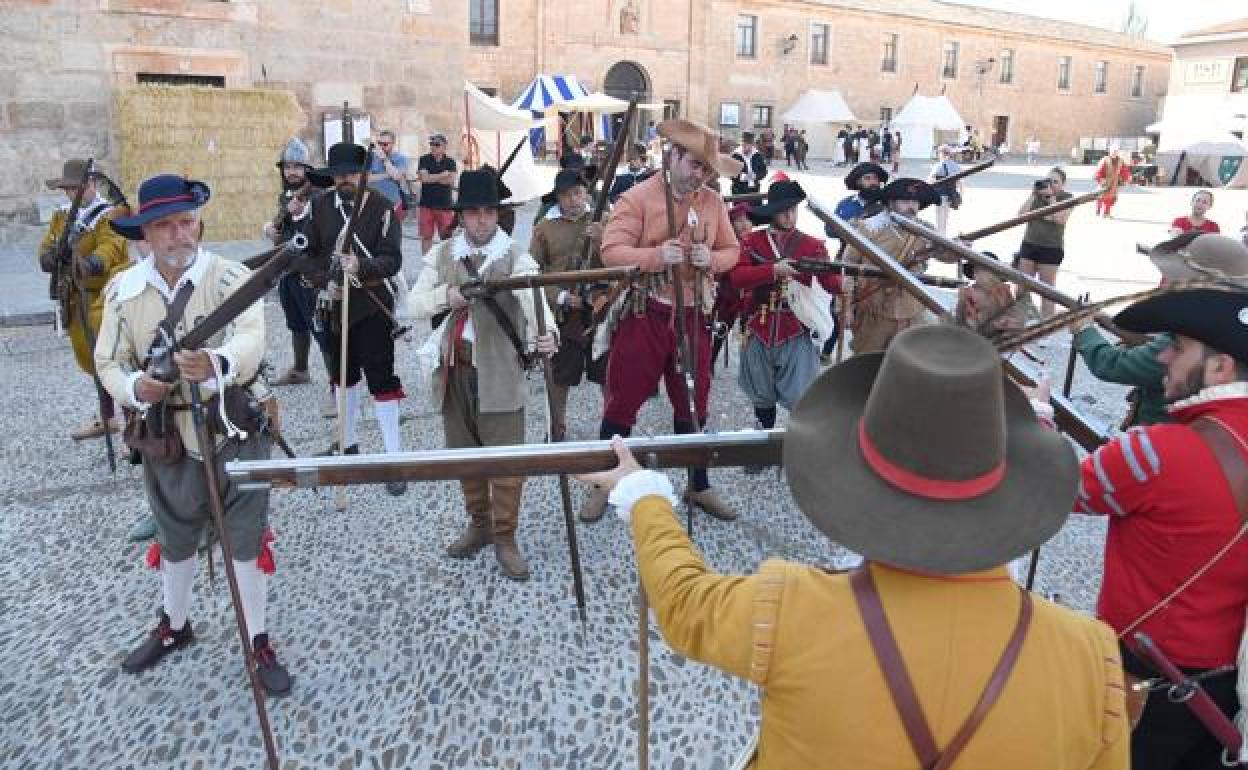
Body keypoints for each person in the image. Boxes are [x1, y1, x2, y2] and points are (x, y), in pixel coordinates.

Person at [579, 324, 1129, 770]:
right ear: (1011, 494)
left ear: (856, 481)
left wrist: (642, 493)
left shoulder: (794, 607)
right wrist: (1029, 426)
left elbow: (684, 604)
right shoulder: (1090, 657)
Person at [96, 174, 291, 694]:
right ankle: (175, 626)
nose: (180, 234)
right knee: (176, 538)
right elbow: (107, 361)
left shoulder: (230, 279)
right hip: (167, 438)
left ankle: (257, 639)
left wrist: (216, 361)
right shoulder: (123, 292)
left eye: (186, 222)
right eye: (165, 225)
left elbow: (251, 339)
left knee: (245, 542)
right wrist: (137, 387)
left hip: (233, 429)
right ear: (145, 235)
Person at [1073, 287, 1248, 769]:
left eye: (1179, 346)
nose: (1164, 357)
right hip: (1231, 691)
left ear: (1221, 367)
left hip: (1150, 683)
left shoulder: (1157, 452)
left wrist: (1040, 421)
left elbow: (1057, 490)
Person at [582, 118, 742, 523]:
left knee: (695, 401)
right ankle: (608, 482)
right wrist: (655, 257)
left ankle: (698, 484)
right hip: (645, 313)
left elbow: (731, 250)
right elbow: (611, 251)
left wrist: (714, 260)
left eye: (707, 168)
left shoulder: (712, 202)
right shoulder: (637, 197)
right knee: (622, 400)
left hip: (693, 317)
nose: (701, 175)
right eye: (694, 164)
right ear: (671, 155)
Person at [409, 169, 558, 581]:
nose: (480, 220)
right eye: (472, 212)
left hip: (499, 374)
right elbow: (414, 304)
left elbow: (537, 308)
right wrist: (447, 296)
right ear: (461, 215)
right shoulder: (442, 255)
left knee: (507, 462)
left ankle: (506, 537)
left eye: (488, 211)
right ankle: (479, 525)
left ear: (497, 214)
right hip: (453, 369)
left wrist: (549, 337)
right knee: (465, 456)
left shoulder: (515, 257)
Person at [296, 142, 407, 495]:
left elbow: (392, 260)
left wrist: (362, 267)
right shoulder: (318, 207)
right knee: (341, 378)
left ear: (363, 174)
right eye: (338, 174)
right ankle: (347, 444)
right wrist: (325, 282)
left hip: (373, 306)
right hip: (333, 307)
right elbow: (305, 257)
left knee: (382, 380)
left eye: (350, 173)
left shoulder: (382, 207)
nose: (343, 179)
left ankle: (394, 458)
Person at [1073, 233, 1248, 429]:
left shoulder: (1189, 344)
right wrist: (1111, 323)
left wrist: (1084, 329)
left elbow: (1111, 365)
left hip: (1162, 436)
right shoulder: (1226, 332)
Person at [730, 180, 840, 446]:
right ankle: (762, 445)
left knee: (802, 397)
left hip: (797, 328)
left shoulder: (813, 245)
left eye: (793, 209)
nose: (789, 216)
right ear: (772, 213)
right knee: (761, 393)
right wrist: (772, 271)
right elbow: (736, 278)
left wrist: (839, 278)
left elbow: (831, 285)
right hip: (758, 326)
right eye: (783, 210)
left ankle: (798, 449)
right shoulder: (752, 241)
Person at [38, 159, 132, 441]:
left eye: (74, 188)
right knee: (92, 360)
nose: (70, 195)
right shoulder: (61, 217)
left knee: (115, 359)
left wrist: (91, 263)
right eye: (66, 189)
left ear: (90, 185)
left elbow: (113, 247)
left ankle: (131, 425)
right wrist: (49, 257)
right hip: (74, 297)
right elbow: (47, 245)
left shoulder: (110, 215)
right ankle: (107, 417)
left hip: (104, 296)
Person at [529, 169, 604, 439]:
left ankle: (610, 429)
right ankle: (556, 426)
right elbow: (532, 272)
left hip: (599, 308)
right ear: (557, 198)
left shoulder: (602, 221)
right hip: (563, 313)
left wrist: (602, 240)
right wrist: (560, 296)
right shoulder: (544, 228)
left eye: (577, 193)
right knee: (560, 375)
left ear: (586, 193)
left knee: (606, 371)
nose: (573, 200)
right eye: (566, 195)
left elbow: (618, 261)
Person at [842, 178, 947, 354]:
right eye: (905, 201)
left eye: (914, 201)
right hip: (873, 308)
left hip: (912, 310)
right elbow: (847, 267)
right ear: (891, 203)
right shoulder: (870, 228)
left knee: (907, 367)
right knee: (867, 365)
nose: (911, 206)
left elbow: (944, 254)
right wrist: (845, 307)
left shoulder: (926, 230)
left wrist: (960, 247)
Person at [264, 138, 325, 389]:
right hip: (288, 268)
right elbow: (283, 233)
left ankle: (338, 384)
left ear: (307, 170)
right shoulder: (286, 196)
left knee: (320, 327)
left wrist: (300, 215)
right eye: (288, 167)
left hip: (310, 271)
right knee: (296, 322)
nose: (292, 172)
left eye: (297, 167)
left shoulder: (319, 196)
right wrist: (274, 231)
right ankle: (300, 370)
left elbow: (321, 235)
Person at [1015, 167, 1073, 318]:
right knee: (1022, 287)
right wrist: (1033, 195)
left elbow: (1060, 219)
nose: (1051, 185)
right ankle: (1021, 320)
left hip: (1051, 248)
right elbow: (1020, 215)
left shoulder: (1067, 197)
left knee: (1046, 290)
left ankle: (1046, 325)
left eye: (1056, 182)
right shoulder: (1037, 196)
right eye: (1049, 181)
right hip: (1030, 244)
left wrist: (1051, 198)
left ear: (1063, 184)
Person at [417, 132, 458, 255]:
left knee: (446, 237)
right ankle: (427, 263)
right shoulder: (424, 159)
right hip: (426, 205)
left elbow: (450, 180)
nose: (433, 147)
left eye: (437, 144)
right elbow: (424, 179)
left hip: (444, 205)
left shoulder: (450, 162)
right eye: (431, 144)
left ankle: (446, 263)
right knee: (426, 236)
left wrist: (431, 177)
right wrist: (442, 175)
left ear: (444, 146)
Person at [368, 129, 411, 217]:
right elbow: (367, 178)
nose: (381, 147)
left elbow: (396, 176)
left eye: (385, 144)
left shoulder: (401, 158)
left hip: (394, 203)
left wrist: (385, 159)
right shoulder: (371, 157)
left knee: (393, 230)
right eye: (379, 143)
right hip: (374, 203)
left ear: (393, 143)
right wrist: (388, 175)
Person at [927, 144, 962, 235]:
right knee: (945, 218)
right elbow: (959, 182)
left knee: (939, 219)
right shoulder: (956, 166)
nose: (938, 155)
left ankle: (939, 237)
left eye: (939, 153)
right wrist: (960, 194)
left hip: (939, 195)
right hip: (950, 195)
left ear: (942, 154)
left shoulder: (938, 166)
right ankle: (944, 236)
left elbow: (930, 180)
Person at [1094, 146, 1131, 218]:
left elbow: (1125, 171)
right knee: (1101, 197)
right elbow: (1099, 171)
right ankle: (1098, 209)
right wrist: (1100, 179)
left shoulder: (1120, 161)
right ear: (1110, 152)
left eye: (1116, 151)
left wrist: (1125, 179)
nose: (1114, 153)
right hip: (1105, 182)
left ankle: (1106, 213)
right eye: (1113, 151)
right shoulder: (1105, 160)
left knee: (1111, 198)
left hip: (1114, 183)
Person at [730, 131, 768, 196]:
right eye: (743, 144)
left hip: (754, 189)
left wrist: (756, 176)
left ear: (752, 145)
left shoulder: (757, 155)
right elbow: (730, 173)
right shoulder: (735, 155)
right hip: (739, 190)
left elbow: (764, 171)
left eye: (747, 145)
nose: (744, 146)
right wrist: (742, 177)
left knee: (755, 205)